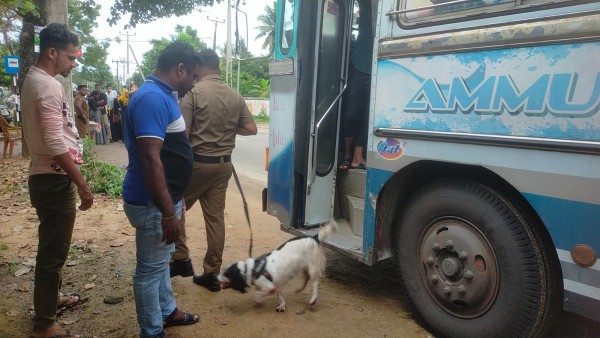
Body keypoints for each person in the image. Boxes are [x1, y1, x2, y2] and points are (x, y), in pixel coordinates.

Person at [122, 41, 201, 338]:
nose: (193, 84)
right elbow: (150, 158)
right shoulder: (152, 98)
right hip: (154, 203)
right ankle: (152, 331)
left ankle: (167, 311)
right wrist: (168, 212)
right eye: (192, 76)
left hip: (167, 200)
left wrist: (174, 205)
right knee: (149, 270)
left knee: (160, 262)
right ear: (179, 69)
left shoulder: (162, 96)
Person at [20, 23, 93, 338]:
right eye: (71, 57)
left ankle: (51, 301)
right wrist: (82, 183)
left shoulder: (32, 81)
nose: (74, 64)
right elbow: (54, 141)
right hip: (54, 178)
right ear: (52, 52)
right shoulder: (48, 85)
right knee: (53, 253)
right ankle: (45, 324)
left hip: (45, 176)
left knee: (53, 249)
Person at [170, 49, 257, 291]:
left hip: (197, 164)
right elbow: (251, 129)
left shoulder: (193, 95)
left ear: (198, 66)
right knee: (215, 219)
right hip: (223, 167)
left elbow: (182, 135)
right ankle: (212, 274)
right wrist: (227, 129)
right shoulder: (235, 95)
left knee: (174, 207)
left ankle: (181, 258)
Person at [339, 0, 373, 170]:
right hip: (361, 63)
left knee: (369, 113)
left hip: (382, 63)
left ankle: (358, 156)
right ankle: (346, 154)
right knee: (352, 113)